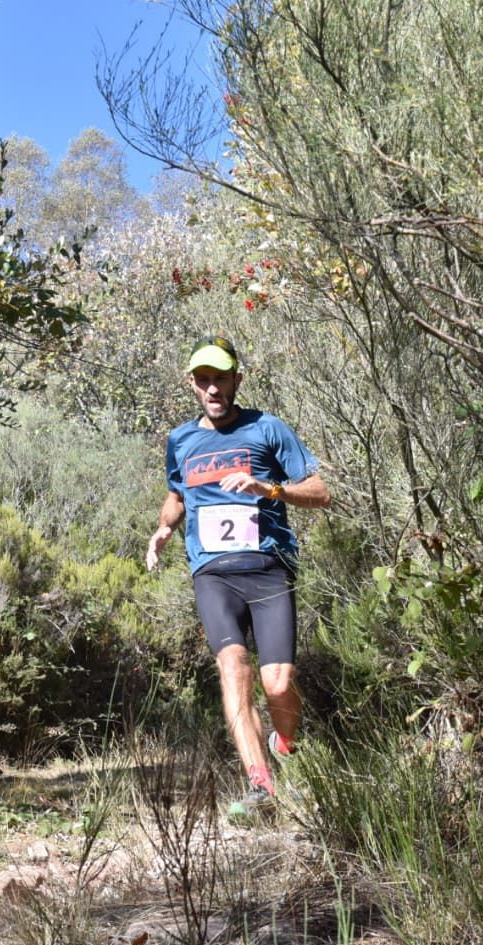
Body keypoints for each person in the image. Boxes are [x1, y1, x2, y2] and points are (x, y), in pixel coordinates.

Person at [145, 335, 331, 822]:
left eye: (220, 379)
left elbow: (321, 491)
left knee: (277, 683)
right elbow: (178, 494)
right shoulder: (181, 440)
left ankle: (285, 741)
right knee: (234, 668)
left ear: (236, 381)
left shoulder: (268, 429)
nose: (212, 389)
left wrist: (269, 487)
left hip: (269, 567)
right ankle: (261, 786)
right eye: (203, 380)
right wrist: (164, 528)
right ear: (192, 385)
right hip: (212, 573)